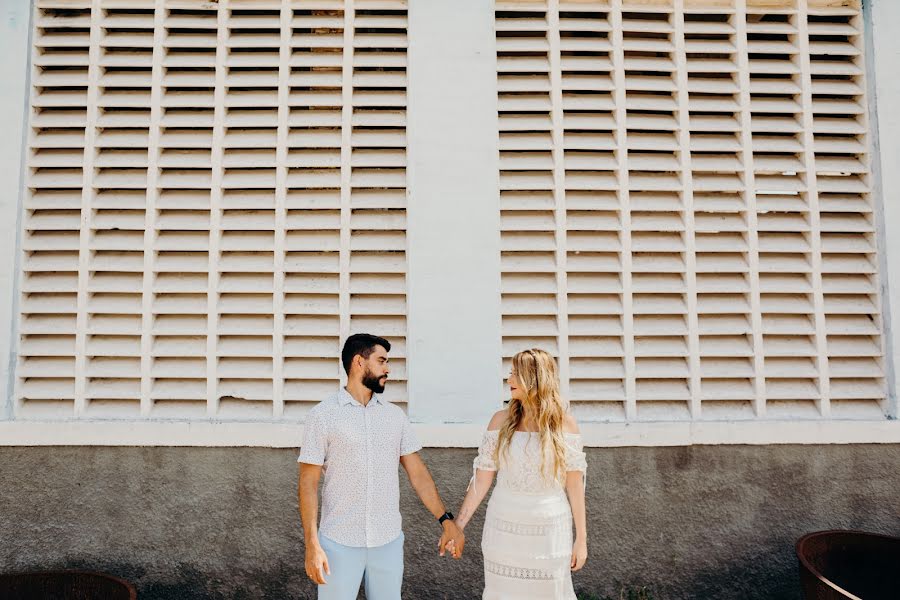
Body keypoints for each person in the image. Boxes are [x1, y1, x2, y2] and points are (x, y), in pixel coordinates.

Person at [297, 333, 465, 600]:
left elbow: (418, 475)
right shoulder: (322, 416)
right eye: (382, 361)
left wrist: (446, 520)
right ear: (359, 363)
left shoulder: (395, 417)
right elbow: (308, 484)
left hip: (387, 542)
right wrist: (312, 543)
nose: (388, 369)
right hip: (338, 542)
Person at [450, 348, 587, 599]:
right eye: (510, 373)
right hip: (504, 528)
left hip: (549, 528)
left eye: (516, 374)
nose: (509, 380)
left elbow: (575, 486)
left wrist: (582, 539)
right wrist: (457, 526)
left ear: (535, 378)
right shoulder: (500, 421)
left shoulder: (565, 424)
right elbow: (482, 480)